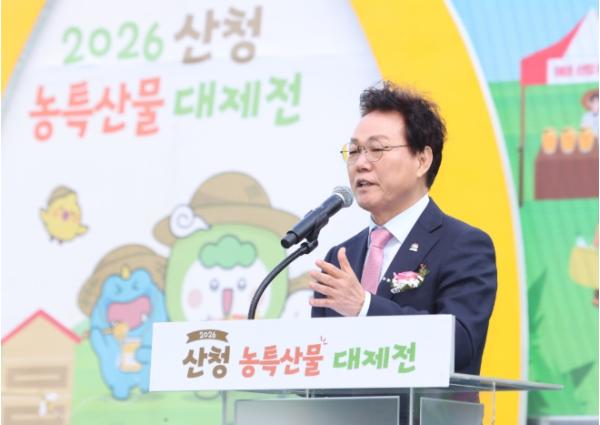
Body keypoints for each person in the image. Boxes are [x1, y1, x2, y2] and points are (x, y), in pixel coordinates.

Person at [309, 81, 497, 375]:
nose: (360, 164)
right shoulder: (340, 257)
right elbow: (319, 361)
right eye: (354, 151)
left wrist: (365, 307)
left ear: (422, 160)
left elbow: (460, 344)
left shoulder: (464, 245)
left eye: (377, 149)